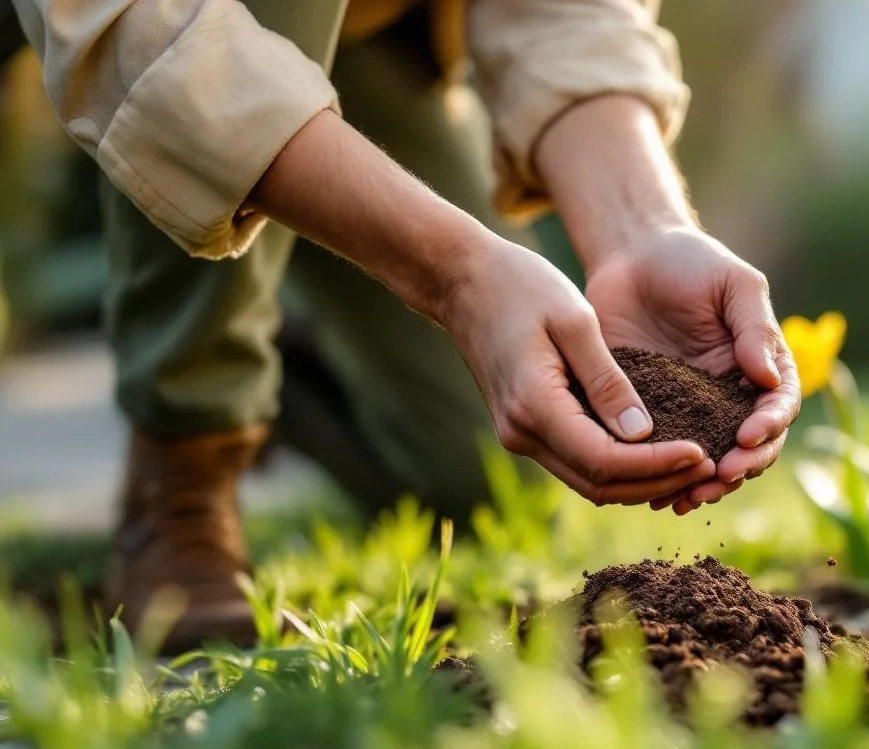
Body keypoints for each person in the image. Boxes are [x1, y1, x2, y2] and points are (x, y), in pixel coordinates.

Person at [9, 0, 800, 649]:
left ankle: (275, 346)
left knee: (484, 471)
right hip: (160, 27)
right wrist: (457, 275)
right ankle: (186, 457)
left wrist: (640, 227)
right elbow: (132, 27)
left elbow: (567, 12)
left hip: (359, 40)